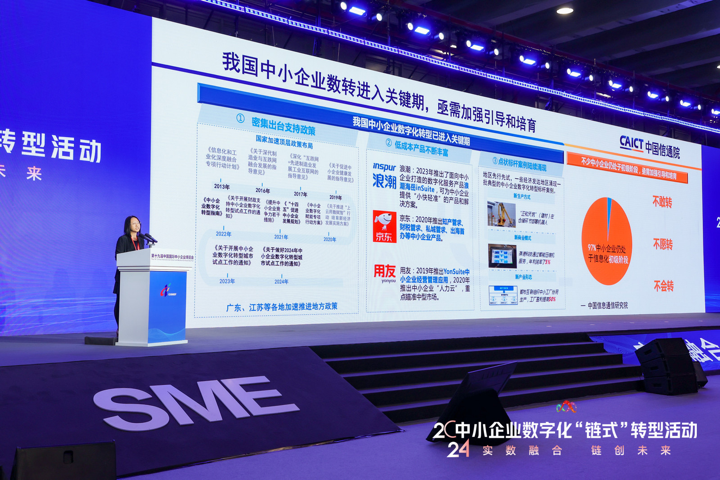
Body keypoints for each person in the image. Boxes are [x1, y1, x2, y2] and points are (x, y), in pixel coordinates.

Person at [113, 216, 144, 328]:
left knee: (135, 303)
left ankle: (132, 327)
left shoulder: (141, 240)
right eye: (134, 223)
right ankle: (120, 327)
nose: (137, 225)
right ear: (128, 225)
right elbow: (118, 257)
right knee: (121, 303)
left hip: (138, 278)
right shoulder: (123, 239)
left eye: (138, 223)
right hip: (124, 277)